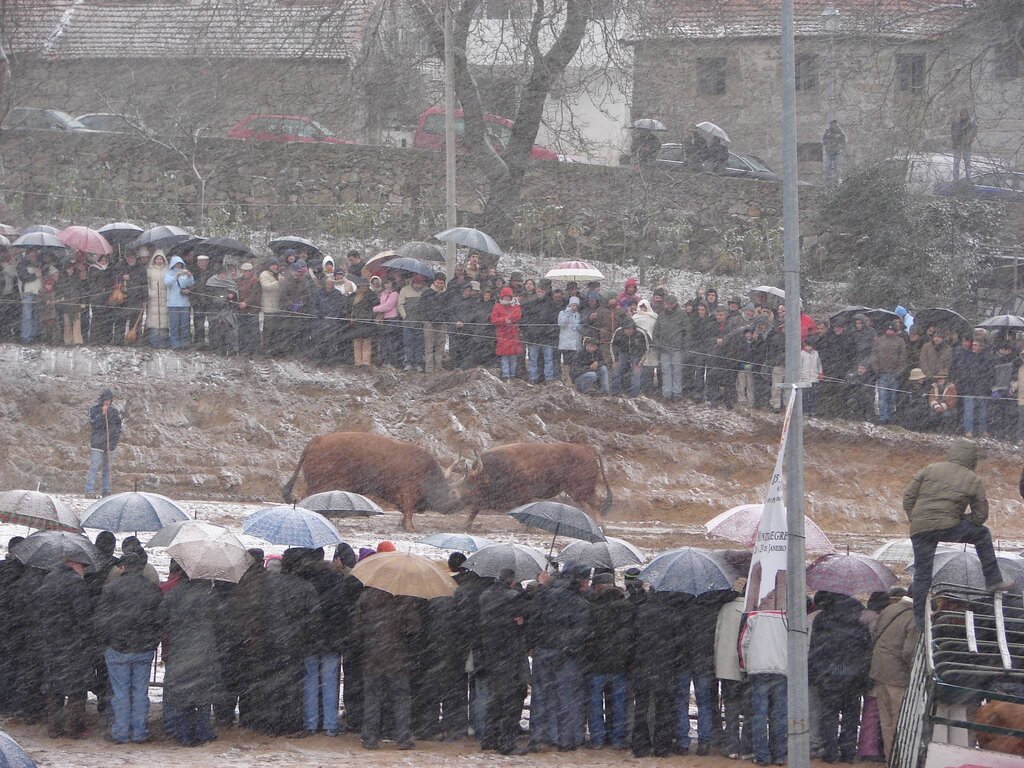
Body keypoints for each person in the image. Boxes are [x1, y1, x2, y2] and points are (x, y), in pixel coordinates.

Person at [903, 438, 1013, 628]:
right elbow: (981, 516)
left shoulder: (930, 469)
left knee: (922, 575)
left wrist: (917, 517)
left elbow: (908, 498)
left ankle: (920, 620)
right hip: (949, 526)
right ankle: (993, 580)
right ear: (972, 459)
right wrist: (964, 519)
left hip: (920, 528)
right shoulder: (973, 479)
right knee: (983, 534)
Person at [95, 552, 164, 744]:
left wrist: (107, 640)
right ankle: (140, 731)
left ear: (121, 567)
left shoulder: (110, 588)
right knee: (140, 692)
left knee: (120, 692)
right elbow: (159, 620)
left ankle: (121, 732)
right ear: (142, 567)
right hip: (144, 649)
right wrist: (153, 641)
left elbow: (100, 619)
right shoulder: (153, 589)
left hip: (117, 647)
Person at [808, 592, 872, 763]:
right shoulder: (859, 618)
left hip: (829, 674)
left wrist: (813, 673)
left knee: (829, 715)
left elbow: (816, 648)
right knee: (851, 715)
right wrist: (864, 674)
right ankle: (848, 752)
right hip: (853, 676)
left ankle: (830, 752)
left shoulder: (822, 618)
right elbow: (867, 648)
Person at [870, 588, 919, 760]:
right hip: (898, 675)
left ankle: (890, 757)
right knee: (901, 721)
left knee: (886, 721)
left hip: (879, 670)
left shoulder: (890, 608)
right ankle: (902, 758)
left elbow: (875, 633)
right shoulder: (913, 617)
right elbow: (909, 651)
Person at [85, 388, 123, 498]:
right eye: (105, 399)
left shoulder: (114, 412)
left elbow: (118, 428)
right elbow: (93, 424)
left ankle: (106, 491)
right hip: (97, 444)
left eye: (109, 400)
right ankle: (89, 491)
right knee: (94, 467)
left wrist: (114, 443)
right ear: (102, 400)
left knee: (107, 469)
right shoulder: (94, 410)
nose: (107, 401)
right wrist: (102, 414)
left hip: (109, 445)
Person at [490, 287, 522, 381]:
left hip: (513, 334)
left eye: (509, 296)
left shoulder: (515, 306)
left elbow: (518, 316)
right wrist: (504, 320)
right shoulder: (497, 306)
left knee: (513, 357)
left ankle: (512, 375)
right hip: (503, 334)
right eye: (505, 296)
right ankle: (506, 375)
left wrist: (506, 319)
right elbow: (493, 319)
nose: (507, 298)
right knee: (504, 357)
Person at [163, 255, 194, 349]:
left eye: (180, 264)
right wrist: (176, 276)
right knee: (174, 325)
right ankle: (174, 343)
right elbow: (167, 283)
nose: (178, 266)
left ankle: (185, 342)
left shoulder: (185, 273)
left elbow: (190, 283)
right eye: (176, 264)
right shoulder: (168, 273)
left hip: (184, 303)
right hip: (173, 304)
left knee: (185, 324)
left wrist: (189, 276)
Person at [951, 108, 977, 182]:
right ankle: (955, 178)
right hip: (957, 144)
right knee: (956, 162)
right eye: (962, 114)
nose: (963, 116)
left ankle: (969, 178)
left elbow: (973, 133)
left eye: (965, 114)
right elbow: (953, 133)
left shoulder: (972, 123)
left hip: (967, 145)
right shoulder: (956, 122)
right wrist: (955, 142)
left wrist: (970, 141)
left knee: (967, 162)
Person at [821, 119, 847, 188]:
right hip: (828, 153)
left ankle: (837, 184)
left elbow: (844, 141)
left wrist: (839, 147)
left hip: (837, 153)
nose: (833, 125)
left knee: (837, 169)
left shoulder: (840, 132)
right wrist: (827, 145)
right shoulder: (827, 132)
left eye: (834, 124)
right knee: (827, 167)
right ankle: (828, 184)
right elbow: (823, 140)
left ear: (836, 124)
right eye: (832, 124)